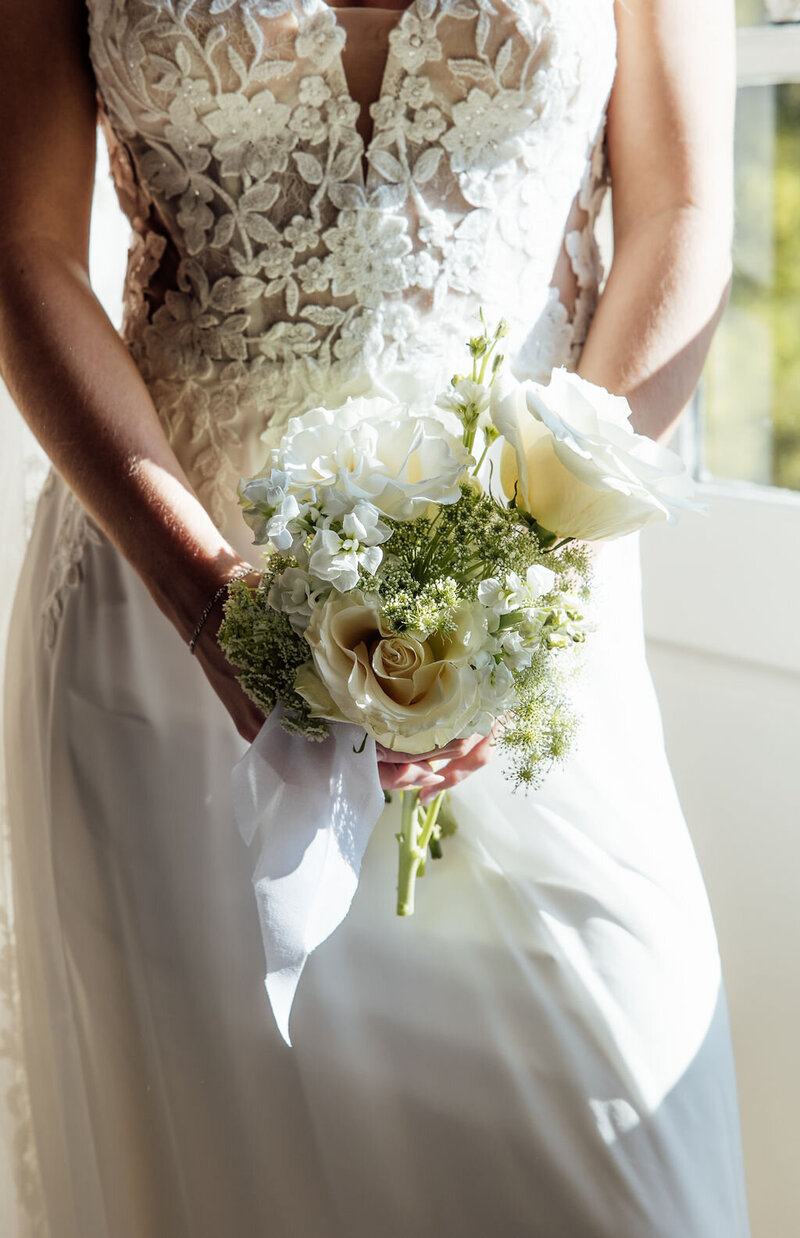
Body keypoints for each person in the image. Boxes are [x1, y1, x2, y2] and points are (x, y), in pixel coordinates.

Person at [0, 0, 751, 1234]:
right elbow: (23, 250)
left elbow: (681, 214)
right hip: (165, 613)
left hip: (524, 612)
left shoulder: (520, 591)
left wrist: (516, 568)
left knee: (628, 1174)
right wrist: (212, 605)